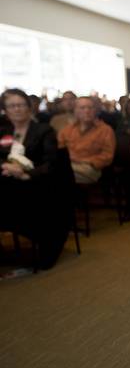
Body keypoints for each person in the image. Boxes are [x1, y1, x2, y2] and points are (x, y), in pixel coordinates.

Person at [0, 88, 71, 269]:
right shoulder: (3, 131)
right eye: (12, 106)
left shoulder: (43, 130)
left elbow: (51, 164)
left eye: (21, 105)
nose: (17, 109)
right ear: (5, 110)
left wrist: (25, 174)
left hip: (39, 183)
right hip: (8, 180)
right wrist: (6, 166)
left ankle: (45, 242)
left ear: (29, 107)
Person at [57, 97, 115, 184]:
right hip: (68, 165)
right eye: (82, 108)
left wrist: (85, 160)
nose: (87, 111)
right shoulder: (67, 130)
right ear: (75, 111)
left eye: (90, 108)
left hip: (90, 167)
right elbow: (59, 150)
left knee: (62, 176)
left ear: (95, 111)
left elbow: (107, 156)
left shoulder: (105, 130)